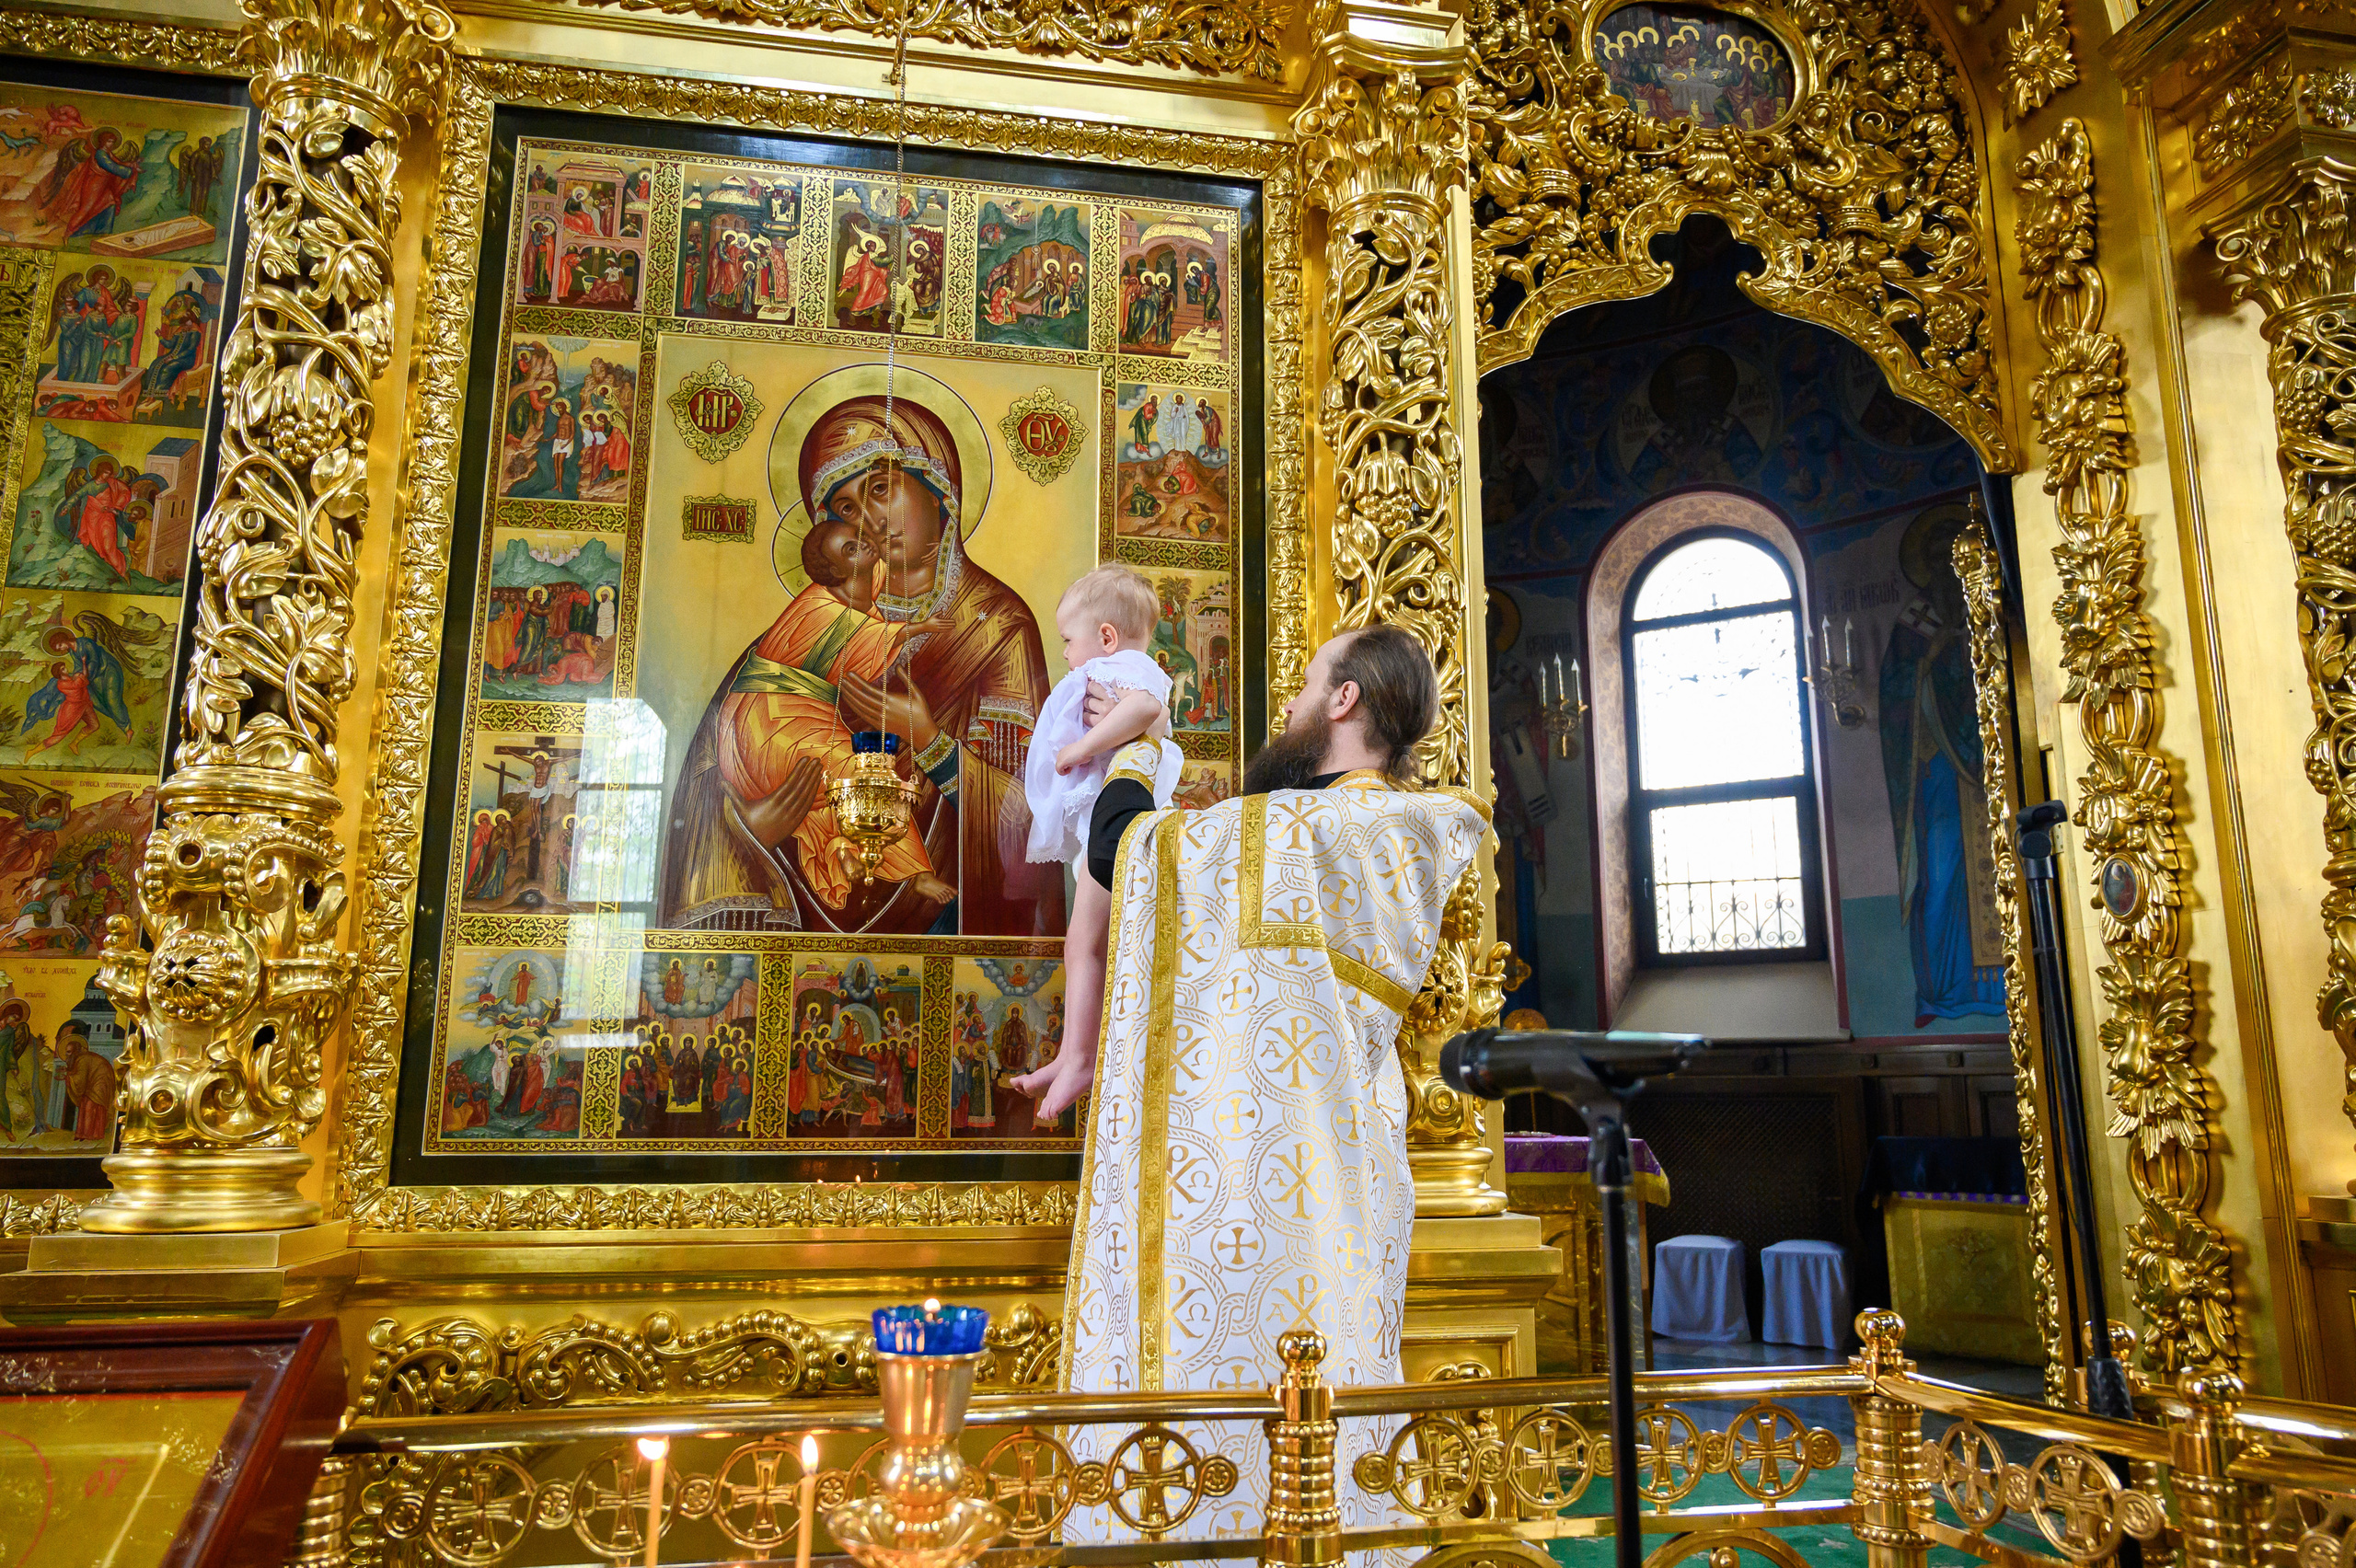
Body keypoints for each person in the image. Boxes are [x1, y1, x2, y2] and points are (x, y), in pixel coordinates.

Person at [1054, 625, 1484, 1551]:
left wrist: (1136, 750)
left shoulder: (1307, 830)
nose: (1287, 705)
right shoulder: (1375, 831)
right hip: (1339, 1174)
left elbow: (1123, 850)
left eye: (1304, 683)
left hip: (1249, 1188)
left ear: (1343, 702)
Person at [708, 516, 955, 910]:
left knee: (834, 791)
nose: (866, 548)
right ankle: (916, 873)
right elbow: (862, 631)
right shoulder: (815, 605)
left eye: (861, 541)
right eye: (852, 548)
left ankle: (842, 853)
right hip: (769, 715)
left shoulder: (856, 587)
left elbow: (873, 588)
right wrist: (914, 627)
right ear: (834, 569)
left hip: (801, 709)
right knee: (858, 771)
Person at [1009, 566, 1177, 1117]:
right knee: (1086, 945)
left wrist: (1081, 750)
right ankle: (1072, 1054)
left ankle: (1079, 1056)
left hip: (1120, 820)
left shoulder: (1127, 667)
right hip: (1102, 827)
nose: (1065, 654)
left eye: (1067, 641)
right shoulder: (1116, 667)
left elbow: (1146, 710)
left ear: (1106, 636)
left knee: (1084, 944)